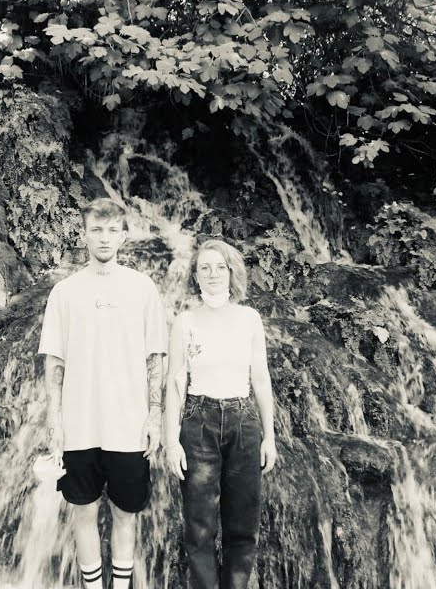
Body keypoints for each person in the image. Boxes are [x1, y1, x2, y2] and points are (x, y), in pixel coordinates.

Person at [39, 198, 168, 589]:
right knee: (83, 513)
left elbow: (155, 356)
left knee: (126, 514)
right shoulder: (64, 292)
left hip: (129, 425)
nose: (104, 238)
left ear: (124, 236)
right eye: (96, 230)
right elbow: (54, 362)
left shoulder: (142, 288)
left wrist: (154, 416)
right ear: (84, 234)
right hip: (79, 425)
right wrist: (54, 421)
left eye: (112, 230)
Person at [163, 238, 278, 589]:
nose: (213, 274)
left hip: (244, 423)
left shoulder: (249, 319)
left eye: (220, 267)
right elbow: (175, 382)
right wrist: (171, 442)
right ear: (195, 276)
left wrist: (270, 438)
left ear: (231, 272)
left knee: (243, 527)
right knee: (199, 527)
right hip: (198, 424)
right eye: (205, 268)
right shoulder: (185, 322)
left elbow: (260, 379)